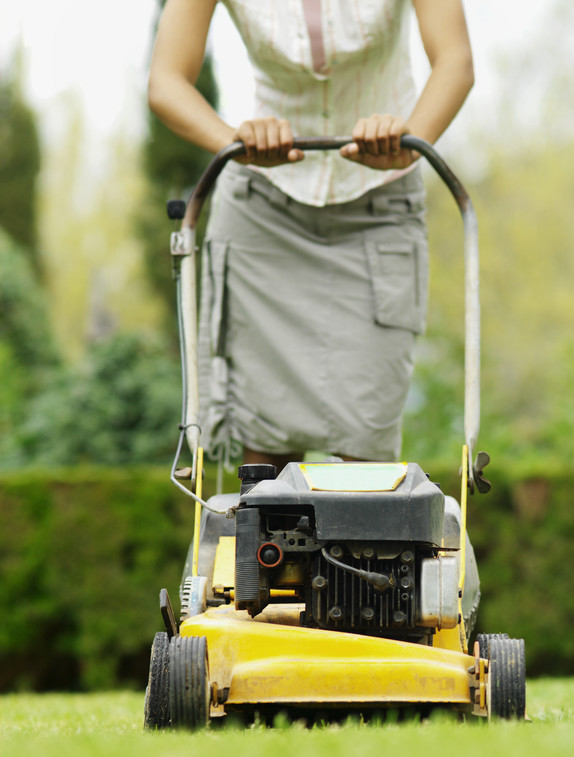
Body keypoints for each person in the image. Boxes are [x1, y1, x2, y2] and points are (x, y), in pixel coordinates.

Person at [148, 0, 474, 471]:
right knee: (266, 439)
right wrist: (234, 142)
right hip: (264, 210)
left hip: (378, 204)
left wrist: (409, 141)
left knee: (367, 439)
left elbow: (456, 62)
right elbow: (165, 82)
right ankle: (263, 544)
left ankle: (361, 546)